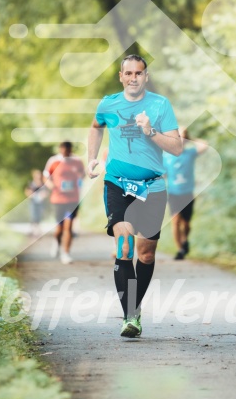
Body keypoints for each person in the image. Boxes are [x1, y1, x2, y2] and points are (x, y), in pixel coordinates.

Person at [88, 54, 182, 338]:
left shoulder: (159, 105)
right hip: (117, 183)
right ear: (121, 76)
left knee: (146, 253)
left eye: (138, 73)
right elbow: (95, 128)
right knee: (124, 247)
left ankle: (134, 309)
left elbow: (176, 148)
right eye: (128, 73)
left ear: (145, 76)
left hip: (152, 187)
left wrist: (149, 130)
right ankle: (130, 316)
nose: (133, 78)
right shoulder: (108, 103)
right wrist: (91, 158)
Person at [163, 128, 208, 260]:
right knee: (175, 220)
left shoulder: (190, 153)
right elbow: (163, 174)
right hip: (173, 193)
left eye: (183, 136)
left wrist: (191, 138)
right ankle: (180, 249)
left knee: (186, 224)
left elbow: (204, 145)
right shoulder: (167, 156)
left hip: (187, 193)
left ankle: (185, 240)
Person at [43, 142, 85, 264]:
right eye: (64, 149)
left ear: (71, 149)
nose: (66, 151)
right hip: (58, 199)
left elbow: (83, 175)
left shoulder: (77, 161)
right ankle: (56, 242)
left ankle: (65, 253)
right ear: (60, 149)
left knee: (69, 225)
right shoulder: (53, 161)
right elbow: (45, 176)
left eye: (68, 149)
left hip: (72, 200)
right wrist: (51, 185)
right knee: (59, 229)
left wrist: (80, 177)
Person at [24, 169, 46, 236]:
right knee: (33, 216)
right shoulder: (31, 184)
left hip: (40, 202)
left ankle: (37, 231)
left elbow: (45, 192)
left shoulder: (42, 184)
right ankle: (33, 230)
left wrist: (42, 195)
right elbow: (27, 192)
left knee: (39, 216)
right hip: (33, 202)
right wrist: (31, 195)